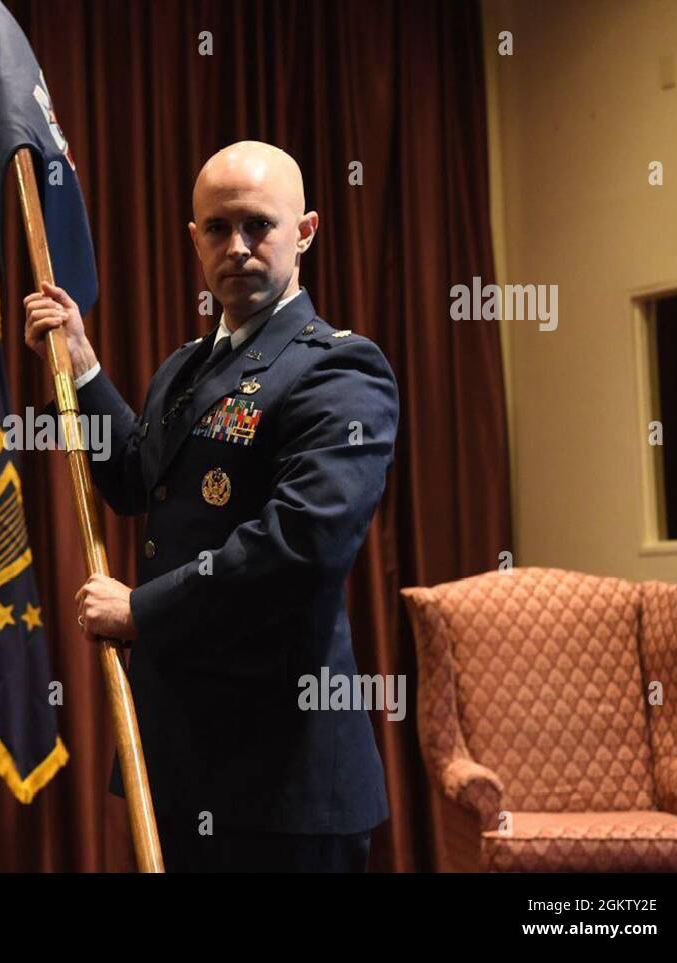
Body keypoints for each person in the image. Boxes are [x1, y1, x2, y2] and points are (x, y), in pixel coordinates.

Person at [24, 142, 398, 871]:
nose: (238, 247)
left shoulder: (340, 368)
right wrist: (83, 361)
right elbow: (137, 480)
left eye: (259, 225)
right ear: (193, 238)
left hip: (282, 781)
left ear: (306, 230)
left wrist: (142, 609)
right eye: (217, 229)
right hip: (181, 761)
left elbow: (303, 544)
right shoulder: (187, 367)